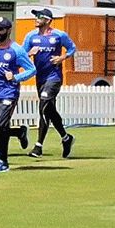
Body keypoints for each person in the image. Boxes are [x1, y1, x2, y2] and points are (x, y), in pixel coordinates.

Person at [0, 16, 36, 173]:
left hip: (9, 92)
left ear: (8, 30)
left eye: (0, 29)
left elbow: (32, 69)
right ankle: (20, 133)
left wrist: (16, 77)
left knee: (1, 124)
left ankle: (3, 161)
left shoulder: (16, 50)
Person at [22, 8, 78, 158]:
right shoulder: (30, 37)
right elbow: (20, 56)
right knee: (49, 110)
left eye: (39, 17)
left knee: (44, 105)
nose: (36, 19)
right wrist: (29, 54)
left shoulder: (59, 35)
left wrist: (62, 57)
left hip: (54, 78)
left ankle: (38, 146)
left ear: (48, 20)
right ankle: (66, 138)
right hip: (40, 78)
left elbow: (73, 48)